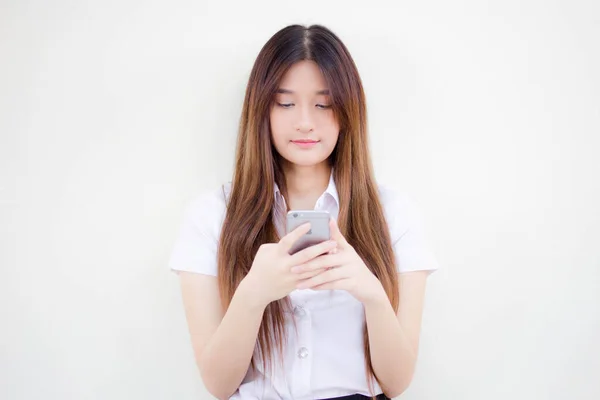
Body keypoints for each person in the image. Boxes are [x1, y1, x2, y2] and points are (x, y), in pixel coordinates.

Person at [168, 24, 440, 400]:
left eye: (323, 104)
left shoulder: (394, 214)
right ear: (261, 109)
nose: (305, 122)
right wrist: (253, 294)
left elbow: (397, 382)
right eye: (285, 103)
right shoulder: (211, 216)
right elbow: (218, 384)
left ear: (347, 111)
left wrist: (372, 294)